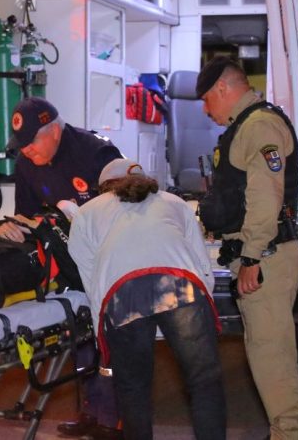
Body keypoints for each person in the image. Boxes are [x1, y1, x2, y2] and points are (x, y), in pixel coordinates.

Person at [0, 96, 123, 439]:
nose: (27, 152)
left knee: (111, 342)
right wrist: (10, 227)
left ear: (53, 130)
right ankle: (92, 411)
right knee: (80, 338)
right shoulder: (27, 163)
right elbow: (27, 215)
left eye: (31, 143)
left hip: (109, 258)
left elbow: (127, 210)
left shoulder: (96, 153)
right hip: (67, 263)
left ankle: (116, 418)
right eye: (22, 147)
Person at [68, 158, 226, 440]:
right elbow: (203, 267)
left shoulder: (87, 212)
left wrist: (101, 336)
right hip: (182, 287)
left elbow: (94, 285)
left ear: (104, 188)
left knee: (133, 389)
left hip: (123, 294)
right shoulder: (174, 202)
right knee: (204, 382)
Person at [195, 56, 298, 439]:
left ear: (223, 89)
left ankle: (289, 434)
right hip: (264, 253)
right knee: (264, 353)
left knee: (271, 355)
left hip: (268, 256)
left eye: (207, 100)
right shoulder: (245, 127)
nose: (206, 111)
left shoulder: (260, 126)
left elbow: (265, 198)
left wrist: (251, 258)